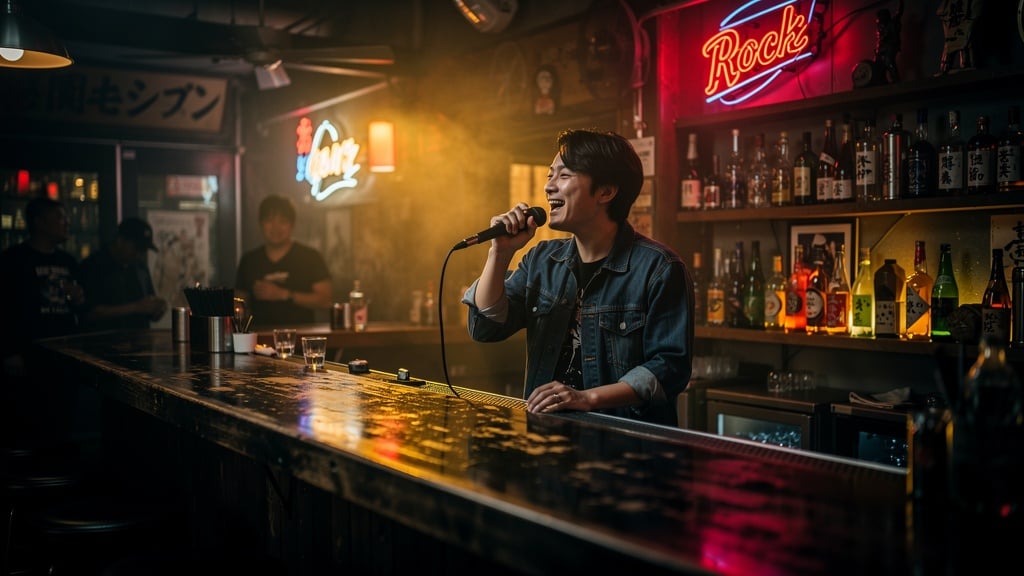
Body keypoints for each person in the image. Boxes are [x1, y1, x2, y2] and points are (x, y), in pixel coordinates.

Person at [462, 128, 694, 425]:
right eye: (549, 175)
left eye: (564, 175)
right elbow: (486, 326)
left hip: (626, 449)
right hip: (549, 444)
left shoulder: (659, 268)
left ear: (606, 192)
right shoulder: (541, 260)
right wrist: (500, 253)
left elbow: (669, 367)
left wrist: (587, 398)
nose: (549, 187)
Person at [0, 197, 86, 447]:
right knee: (27, 425)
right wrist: (9, 351)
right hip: (28, 355)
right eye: (59, 217)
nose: (66, 222)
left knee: (62, 423)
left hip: (64, 356)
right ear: (39, 222)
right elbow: (3, 308)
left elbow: (81, 305)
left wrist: (79, 297)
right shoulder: (13, 260)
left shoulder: (68, 262)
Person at [235, 194, 332, 326]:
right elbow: (238, 302)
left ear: (292, 225)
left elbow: (325, 300)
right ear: (261, 224)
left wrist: (284, 294)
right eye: (269, 220)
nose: (276, 227)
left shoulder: (309, 257)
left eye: (283, 221)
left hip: (300, 339)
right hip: (259, 340)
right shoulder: (249, 260)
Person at [78, 217, 168, 332]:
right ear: (120, 241)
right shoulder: (93, 265)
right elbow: (89, 312)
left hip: (139, 345)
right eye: (137, 248)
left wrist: (157, 309)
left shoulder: (140, 268)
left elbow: (147, 307)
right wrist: (137, 307)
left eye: (143, 250)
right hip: (103, 344)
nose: (140, 254)